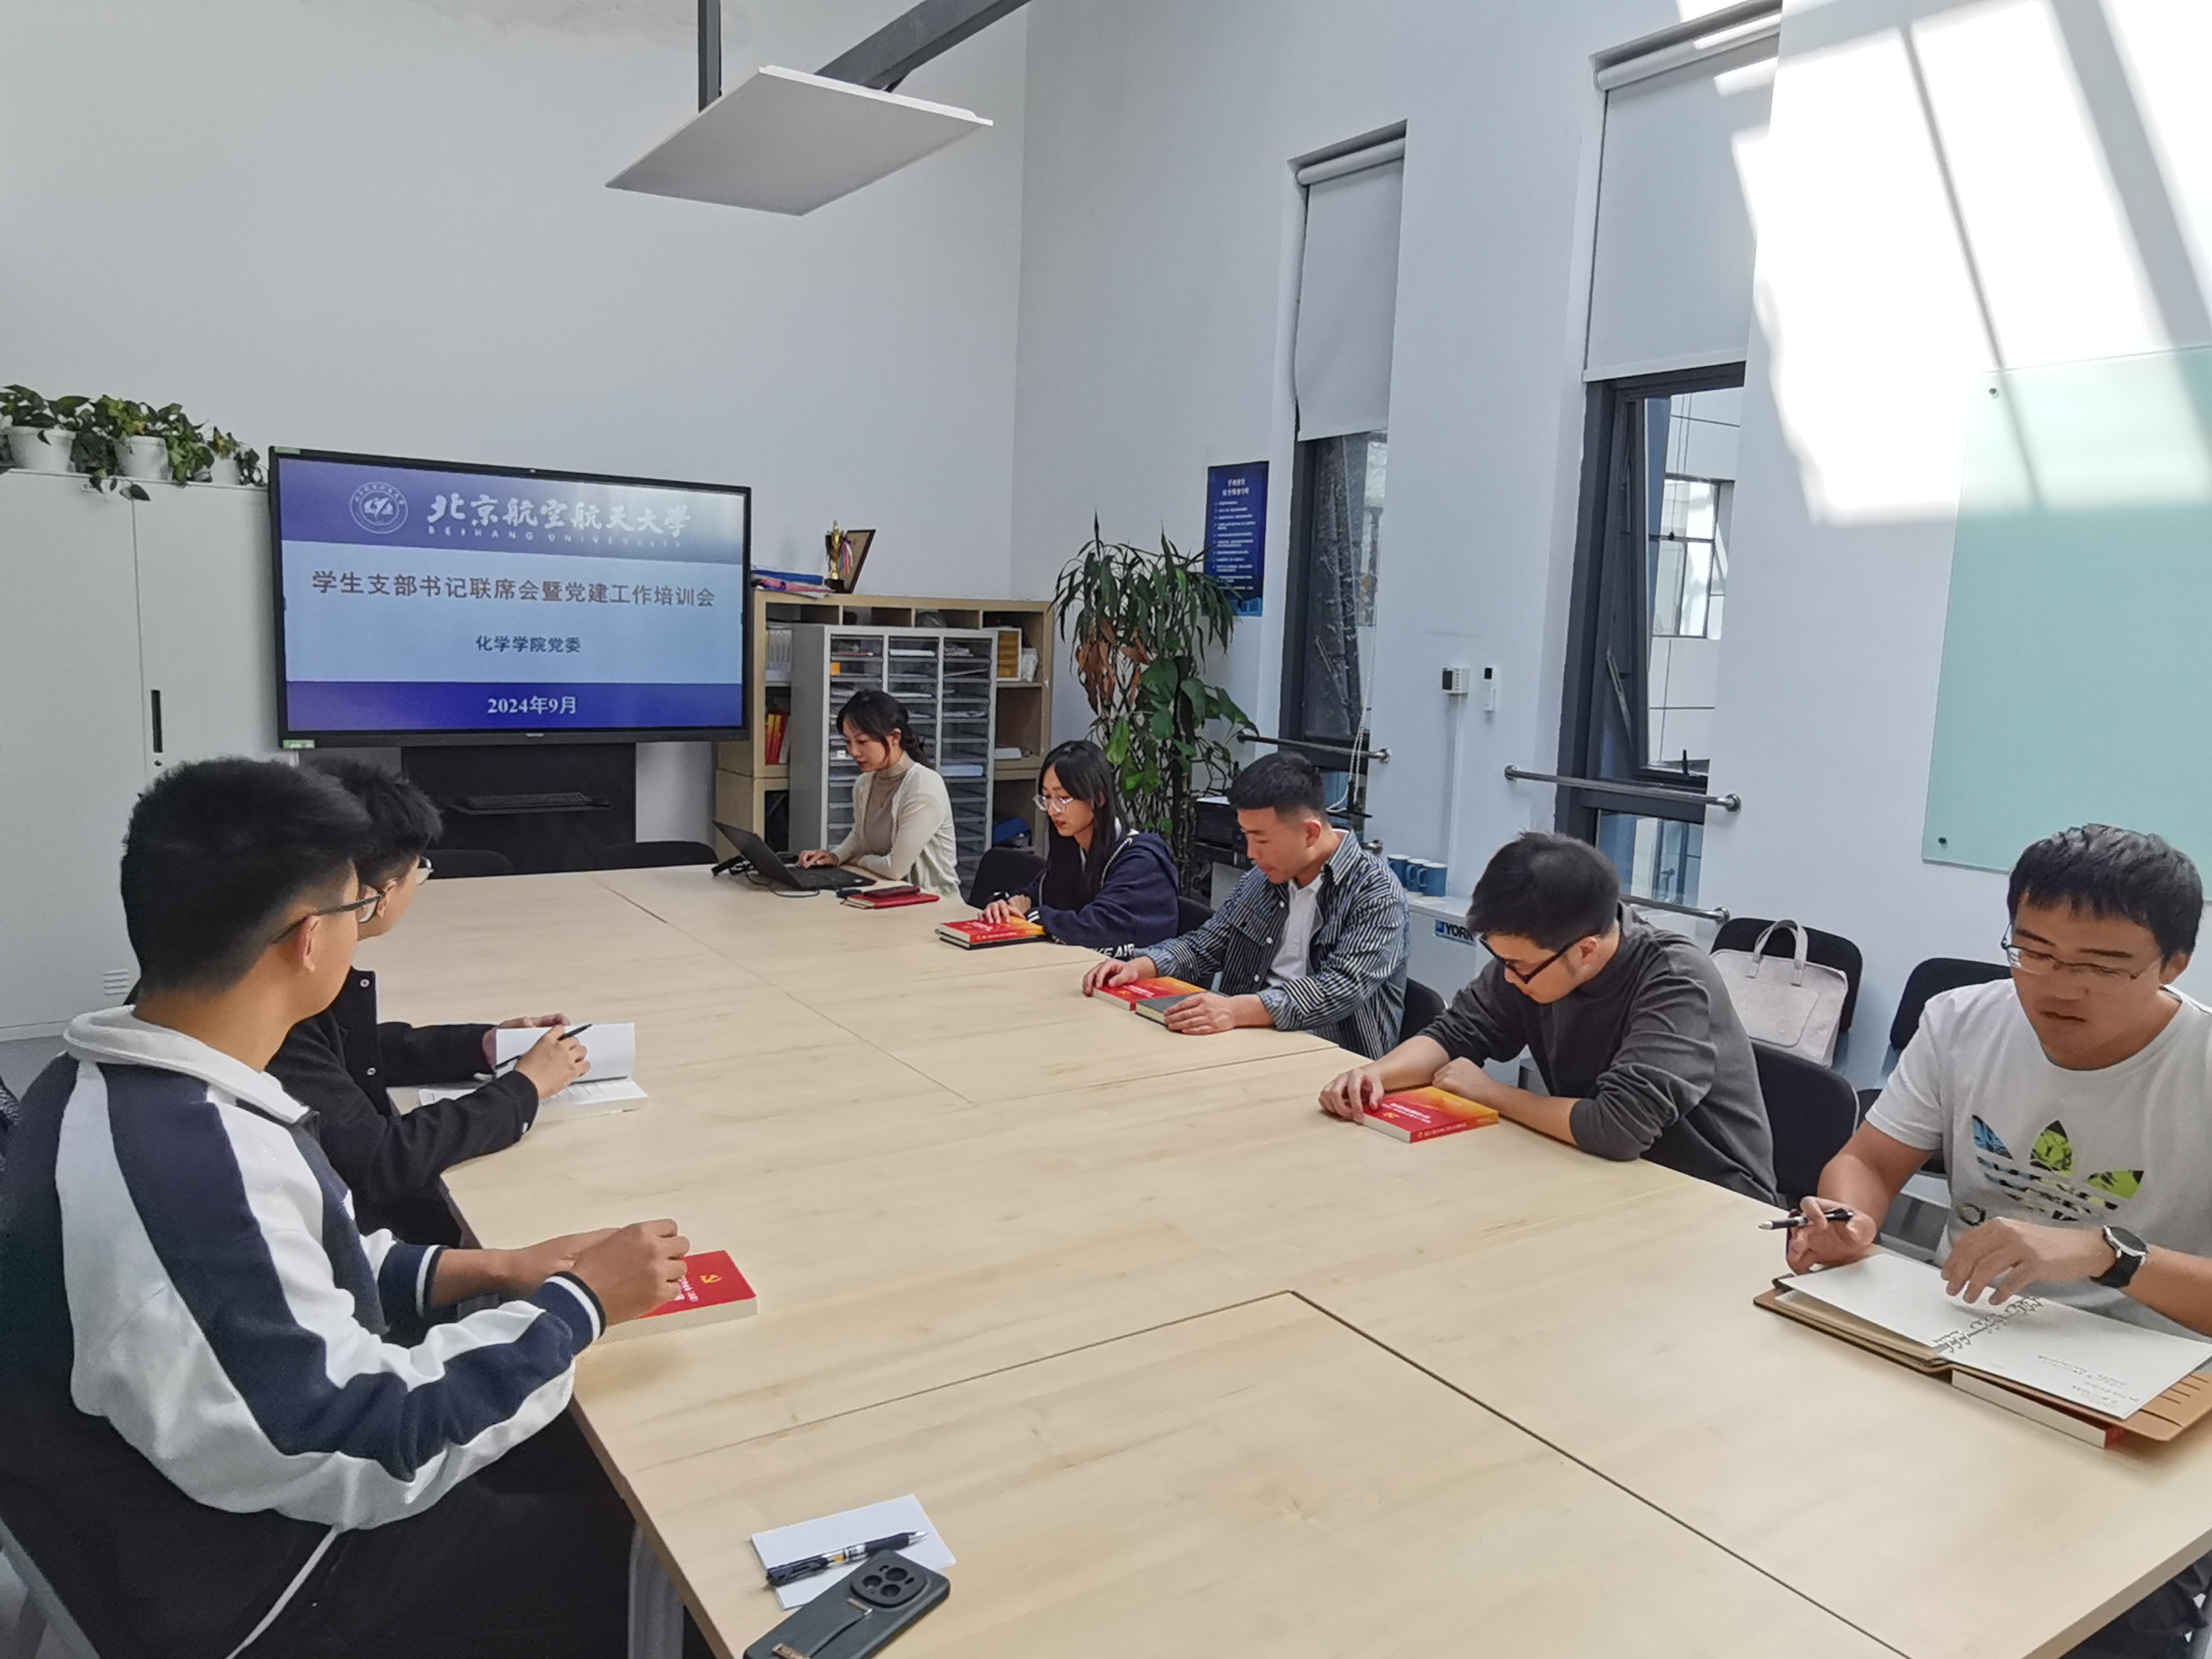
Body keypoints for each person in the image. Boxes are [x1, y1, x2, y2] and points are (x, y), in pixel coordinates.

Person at [0, 758, 691, 1659]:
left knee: (599, 1438)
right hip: (286, 1579)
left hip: (224, 1489)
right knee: (670, 1562)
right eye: (355, 907)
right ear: (308, 938)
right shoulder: (188, 1176)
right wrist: (581, 1305)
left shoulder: (110, 1088)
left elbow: (290, 1255)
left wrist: (489, 1268)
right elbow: (375, 1445)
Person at [1786, 824, 2212, 1659]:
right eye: (2034, 950)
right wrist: (1848, 1217)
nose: (2057, 985)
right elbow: (1869, 1160)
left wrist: (2109, 1254)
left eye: (2101, 966)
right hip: (1958, 1344)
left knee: (2100, 1627)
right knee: (1825, 1550)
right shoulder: (1961, 1021)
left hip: (2138, 1397)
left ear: (2174, 963)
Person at [1321, 832, 1777, 1201]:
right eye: (1500, 960)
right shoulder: (1538, 954)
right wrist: (1373, 1076)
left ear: (1586, 951)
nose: (1508, 977)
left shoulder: (1676, 980)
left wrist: (1491, 1094)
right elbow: (1457, 1031)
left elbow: (1617, 1128)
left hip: (1709, 1196)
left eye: (1517, 966)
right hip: (1597, 1172)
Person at [269, 759, 588, 1244]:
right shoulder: (281, 999)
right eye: (418, 873)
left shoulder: (282, 963)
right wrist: (523, 1088)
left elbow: (344, 1051)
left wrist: (481, 1045)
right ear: (377, 896)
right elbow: (379, 1162)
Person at [1080, 751, 1408, 1056]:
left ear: (1310, 833)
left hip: (1331, 1061)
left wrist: (1235, 1010)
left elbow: (1339, 989)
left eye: (1261, 839)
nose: (1251, 853)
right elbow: (1206, 946)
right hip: (1243, 1037)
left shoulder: (1376, 893)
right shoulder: (1262, 879)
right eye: (1246, 836)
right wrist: (1141, 966)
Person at [979, 739, 1179, 949]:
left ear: (1098, 798)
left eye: (1063, 798)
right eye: (1047, 797)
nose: (1052, 810)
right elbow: (1035, 896)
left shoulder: (1142, 861)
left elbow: (1098, 926)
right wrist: (1007, 907)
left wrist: (1032, 915)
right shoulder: (1073, 849)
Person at [798, 688, 960, 897]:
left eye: (862, 741)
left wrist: (859, 861)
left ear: (895, 738)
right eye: (848, 742)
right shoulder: (865, 783)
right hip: (887, 896)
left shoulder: (924, 784)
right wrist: (835, 857)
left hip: (935, 904)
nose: (853, 751)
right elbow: (860, 837)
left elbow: (895, 869)